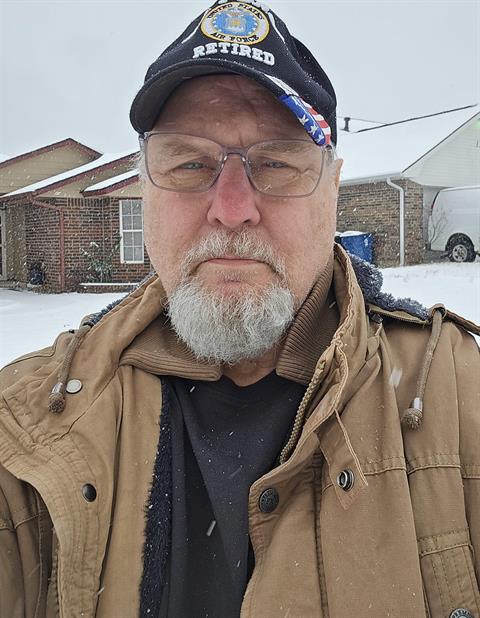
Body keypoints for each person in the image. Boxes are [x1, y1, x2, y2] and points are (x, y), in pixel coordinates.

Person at [1, 1, 479, 617]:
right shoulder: (27, 426)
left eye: (276, 163)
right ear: (145, 190)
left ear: (333, 191)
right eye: (189, 163)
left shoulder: (457, 396)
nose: (231, 209)